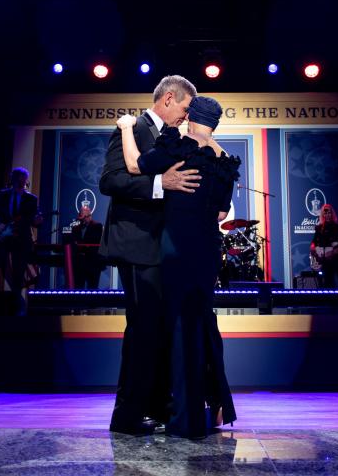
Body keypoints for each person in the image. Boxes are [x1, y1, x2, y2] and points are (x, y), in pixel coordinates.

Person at [117, 95, 239, 439]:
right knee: (203, 324)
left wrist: (126, 127)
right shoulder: (224, 158)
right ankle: (213, 408)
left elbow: (135, 166)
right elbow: (220, 213)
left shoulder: (180, 145)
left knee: (178, 329)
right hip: (207, 250)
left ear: (192, 117)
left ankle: (183, 417)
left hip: (177, 248)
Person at [99, 75, 200, 435]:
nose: (185, 117)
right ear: (169, 98)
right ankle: (126, 417)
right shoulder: (132, 128)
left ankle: (156, 409)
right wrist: (161, 185)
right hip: (136, 246)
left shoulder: (171, 138)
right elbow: (109, 180)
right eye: (185, 109)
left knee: (157, 330)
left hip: (162, 250)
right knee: (142, 330)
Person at [0, 167, 42, 314]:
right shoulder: (1, 196)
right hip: (3, 237)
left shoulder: (31, 199)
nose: (20, 181)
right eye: (17, 177)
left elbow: (35, 219)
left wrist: (37, 221)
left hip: (21, 241)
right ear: (13, 179)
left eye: (22, 178)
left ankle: (17, 306)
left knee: (18, 274)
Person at [309, 204, 338, 289]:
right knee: (327, 286)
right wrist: (314, 250)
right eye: (325, 213)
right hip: (326, 262)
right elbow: (313, 243)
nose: (327, 215)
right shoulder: (319, 228)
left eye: (329, 213)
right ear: (322, 215)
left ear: (332, 214)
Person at [69, 206, 104, 289]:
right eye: (81, 216)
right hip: (79, 264)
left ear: (89, 215)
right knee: (78, 289)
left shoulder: (97, 226)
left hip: (92, 263)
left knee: (92, 289)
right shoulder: (75, 227)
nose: (82, 219)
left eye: (84, 217)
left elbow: (94, 241)